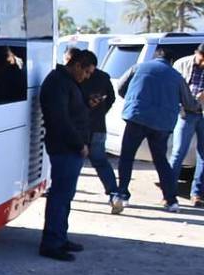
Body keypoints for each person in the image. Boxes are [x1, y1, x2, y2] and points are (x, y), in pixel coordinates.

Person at [116, 47, 201, 212]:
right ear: (171, 61)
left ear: (155, 57)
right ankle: (171, 200)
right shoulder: (176, 76)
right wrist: (197, 105)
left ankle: (122, 195)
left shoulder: (138, 67)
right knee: (161, 161)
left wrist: (134, 100)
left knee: (127, 157)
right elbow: (189, 103)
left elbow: (120, 87)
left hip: (136, 117)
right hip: (162, 123)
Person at [38, 48, 92, 262]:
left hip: (69, 147)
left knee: (65, 195)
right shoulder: (58, 82)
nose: (86, 77)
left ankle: (60, 237)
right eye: (86, 72)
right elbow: (60, 120)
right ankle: (52, 242)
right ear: (77, 65)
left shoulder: (67, 82)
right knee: (60, 196)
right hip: (65, 147)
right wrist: (79, 144)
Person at [77, 50, 121, 212]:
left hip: (79, 127)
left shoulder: (76, 77)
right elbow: (111, 98)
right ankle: (114, 194)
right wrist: (101, 111)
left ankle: (63, 193)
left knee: (74, 162)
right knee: (101, 162)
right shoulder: (103, 77)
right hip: (98, 126)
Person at [170, 43, 204, 206]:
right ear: (197, 53)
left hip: (202, 113)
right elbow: (172, 88)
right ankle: (169, 191)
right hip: (186, 112)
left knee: (203, 155)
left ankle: (197, 193)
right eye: (202, 59)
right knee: (178, 153)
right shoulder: (182, 64)